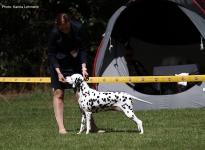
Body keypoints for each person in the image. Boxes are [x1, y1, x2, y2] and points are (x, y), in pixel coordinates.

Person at [47, 13, 105, 134]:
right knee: (58, 93)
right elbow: (51, 54)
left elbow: (83, 48)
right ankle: (61, 128)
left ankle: (92, 126)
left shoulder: (79, 28)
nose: (64, 31)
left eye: (66, 28)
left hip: (75, 61)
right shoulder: (54, 33)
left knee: (81, 94)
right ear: (58, 27)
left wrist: (84, 68)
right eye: (61, 29)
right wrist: (58, 72)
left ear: (70, 22)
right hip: (58, 63)